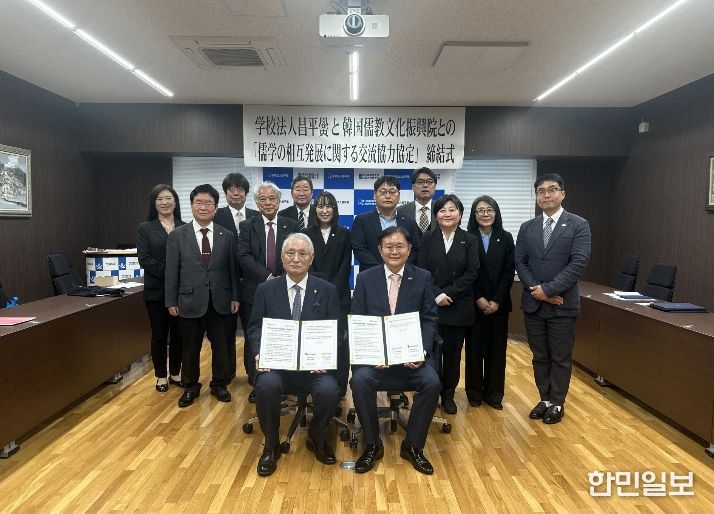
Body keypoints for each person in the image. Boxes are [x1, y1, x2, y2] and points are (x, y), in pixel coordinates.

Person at [350, 226, 441, 475]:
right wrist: (371, 354)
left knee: (432, 382)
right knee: (359, 380)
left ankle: (412, 446)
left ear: (409, 250)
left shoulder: (422, 277)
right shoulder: (365, 278)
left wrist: (421, 351)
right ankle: (372, 444)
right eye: (389, 247)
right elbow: (357, 320)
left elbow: (429, 319)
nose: (394, 251)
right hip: (375, 360)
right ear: (380, 250)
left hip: (411, 358)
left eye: (400, 246)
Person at [248, 233, 341, 477]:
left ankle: (316, 437)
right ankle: (271, 445)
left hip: (314, 367)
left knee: (330, 390)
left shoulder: (327, 290)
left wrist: (326, 356)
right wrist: (259, 352)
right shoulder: (265, 289)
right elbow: (255, 327)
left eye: (302, 254)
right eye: (290, 253)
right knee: (266, 386)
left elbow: (337, 330)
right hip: (278, 366)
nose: (296, 259)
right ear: (281, 257)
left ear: (312, 258)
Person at [515, 173, 591, 424]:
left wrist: (548, 291)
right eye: (541, 191)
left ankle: (557, 402)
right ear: (536, 196)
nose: (546, 195)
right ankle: (545, 400)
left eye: (552, 189)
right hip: (534, 304)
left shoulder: (578, 225)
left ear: (562, 194)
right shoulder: (527, 227)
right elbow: (520, 262)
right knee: (539, 356)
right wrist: (537, 291)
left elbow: (578, 263)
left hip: (562, 304)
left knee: (560, 357)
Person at [165, 184, 240, 408]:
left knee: (221, 346)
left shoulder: (227, 235)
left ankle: (219, 383)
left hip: (220, 300)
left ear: (216, 207)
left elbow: (233, 270)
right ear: (191, 206)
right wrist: (171, 300)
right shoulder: (177, 236)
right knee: (190, 347)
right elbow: (171, 272)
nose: (203, 207)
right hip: (189, 301)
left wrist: (235, 296)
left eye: (209, 203)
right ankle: (190, 386)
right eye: (199, 202)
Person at [417, 194, 479, 415]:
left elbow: (472, 272)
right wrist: (437, 295)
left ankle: (449, 395)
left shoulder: (469, 239)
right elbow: (422, 269)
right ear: (436, 215)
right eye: (442, 210)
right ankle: (431, 393)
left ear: (460, 214)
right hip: (432, 306)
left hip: (457, 305)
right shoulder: (427, 237)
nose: (447, 214)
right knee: (432, 353)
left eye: (452, 210)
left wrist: (448, 294)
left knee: (453, 356)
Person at [237, 182, 299, 401]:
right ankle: (257, 383)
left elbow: (295, 254)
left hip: (285, 289)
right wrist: (267, 278)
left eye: (272, 198)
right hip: (254, 290)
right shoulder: (247, 226)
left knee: (281, 335)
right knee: (254, 336)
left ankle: (283, 382)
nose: (268, 203)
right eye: (262, 199)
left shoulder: (291, 224)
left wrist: (280, 280)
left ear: (279, 201)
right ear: (256, 203)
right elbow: (243, 256)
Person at [464, 195, 515, 410]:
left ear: (496, 213)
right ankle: (474, 393)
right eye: (480, 211)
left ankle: (494, 395)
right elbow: (466, 271)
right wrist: (478, 297)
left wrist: (496, 300)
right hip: (474, 303)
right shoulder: (467, 237)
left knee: (497, 351)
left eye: (489, 210)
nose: (485, 214)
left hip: (498, 305)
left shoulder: (506, 237)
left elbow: (508, 271)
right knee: (474, 350)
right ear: (474, 215)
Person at [303, 191, 352, 396]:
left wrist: (331, 290)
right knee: (314, 341)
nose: (324, 210)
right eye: (320, 206)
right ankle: (312, 386)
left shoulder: (344, 233)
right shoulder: (306, 233)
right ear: (315, 209)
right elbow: (307, 265)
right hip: (312, 296)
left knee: (340, 343)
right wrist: (321, 289)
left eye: (329, 206)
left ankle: (339, 389)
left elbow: (345, 267)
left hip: (340, 297)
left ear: (335, 209)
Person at [137, 184, 185, 392]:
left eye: (168, 198)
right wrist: (172, 273)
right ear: (154, 203)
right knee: (159, 335)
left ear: (175, 202)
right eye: (160, 199)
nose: (165, 202)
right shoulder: (145, 228)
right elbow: (145, 259)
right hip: (156, 292)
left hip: (180, 293)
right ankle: (161, 376)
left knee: (178, 335)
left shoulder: (185, 226)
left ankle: (175, 372)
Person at [213, 172, 260, 382]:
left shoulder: (256, 216)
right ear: (225, 193)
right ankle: (227, 372)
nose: (236, 193)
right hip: (225, 284)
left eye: (240, 189)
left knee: (252, 331)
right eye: (231, 189)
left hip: (252, 284)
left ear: (246, 193)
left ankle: (253, 373)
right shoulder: (216, 216)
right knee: (225, 332)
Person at [351, 176, 421, 273]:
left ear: (399, 196)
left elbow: (415, 249)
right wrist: (383, 270)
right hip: (371, 274)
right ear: (374, 195)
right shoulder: (362, 220)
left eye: (392, 192)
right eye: (383, 192)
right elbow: (359, 250)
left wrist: (399, 268)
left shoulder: (409, 221)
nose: (388, 196)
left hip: (403, 274)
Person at [401, 167, 438, 233]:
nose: (425, 185)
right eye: (420, 182)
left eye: (430, 182)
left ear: (435, 187)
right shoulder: (401, 211)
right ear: (413, 187)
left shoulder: (440, 209)